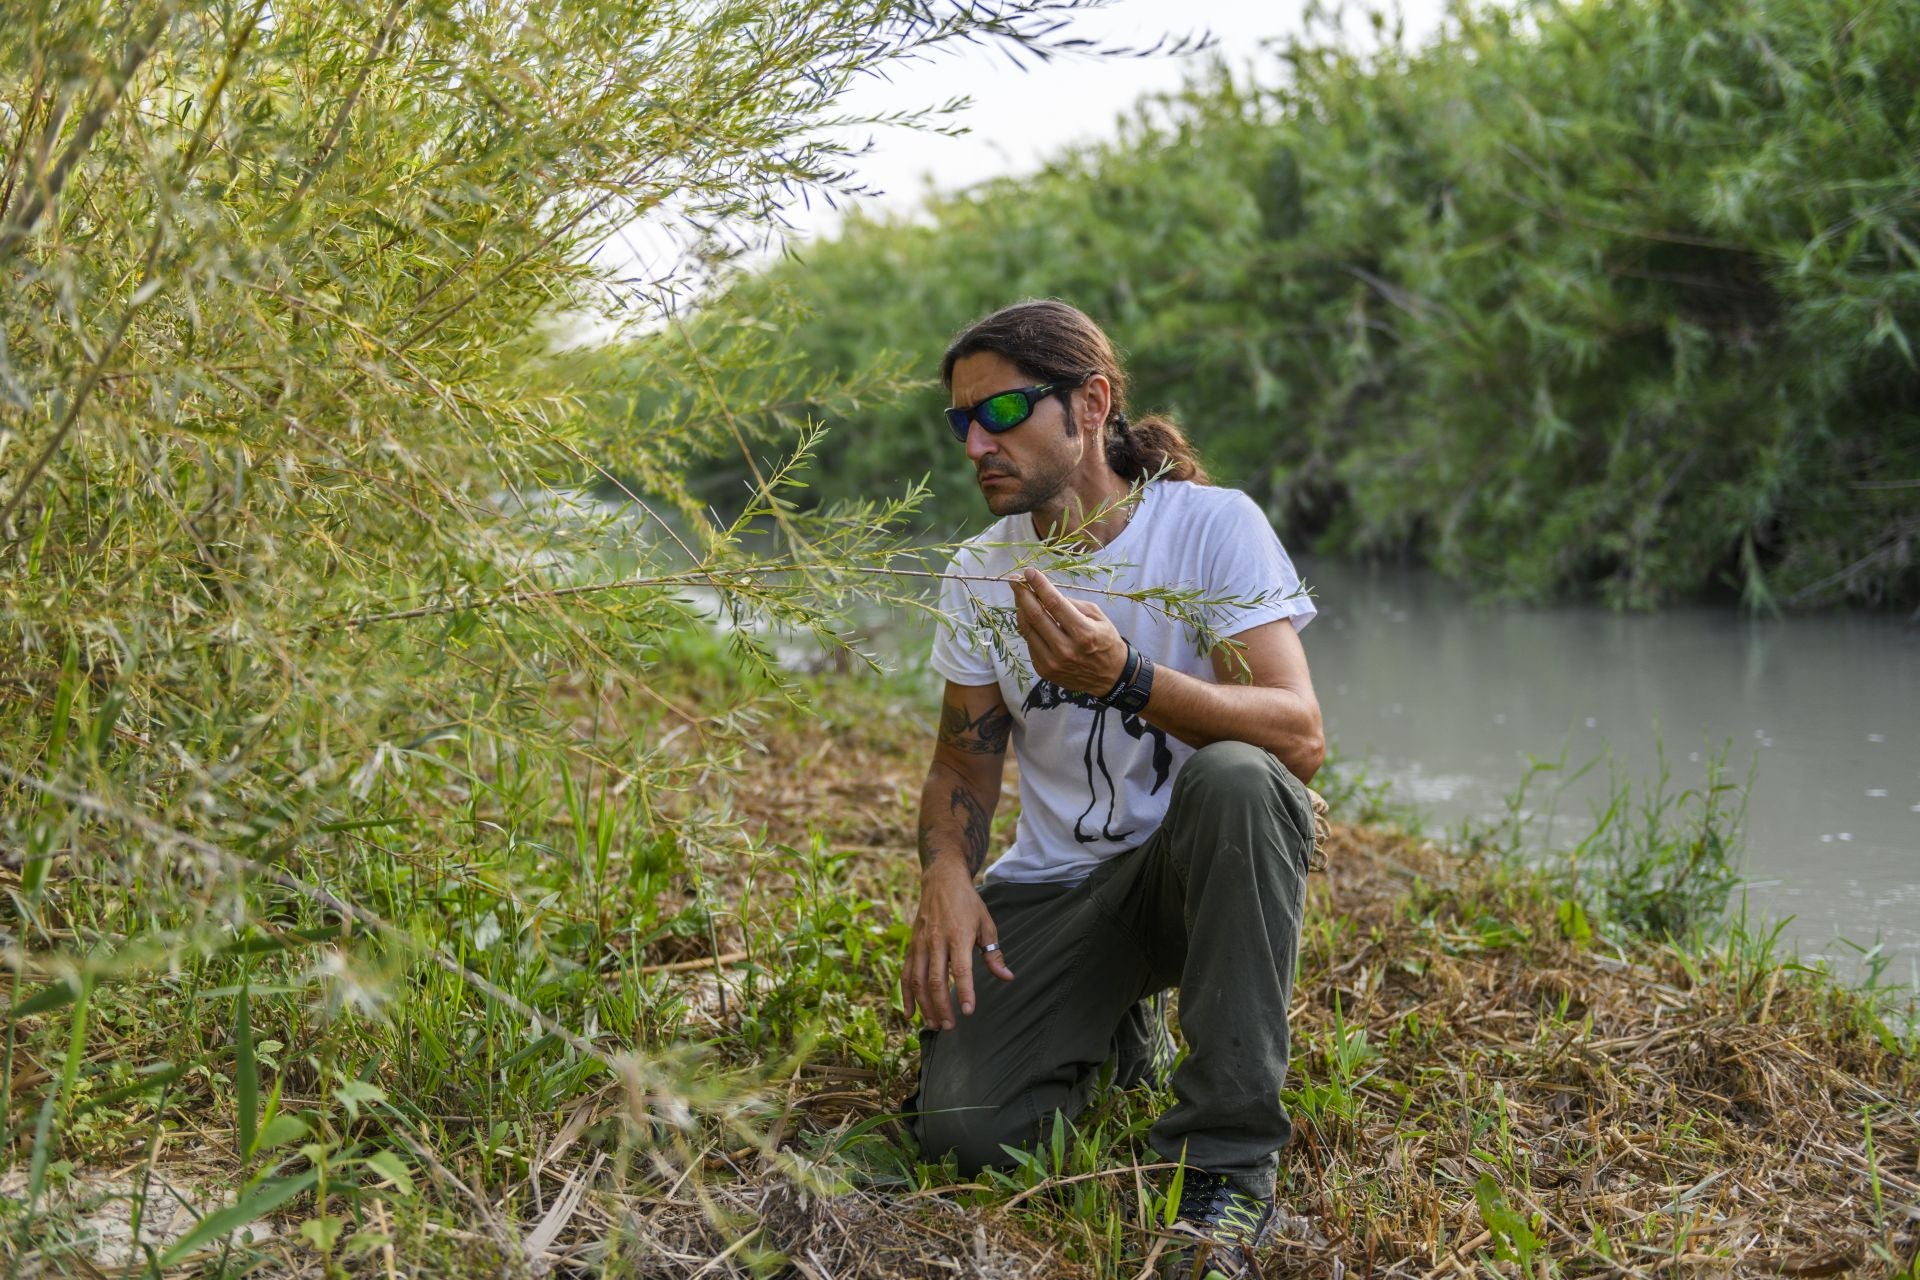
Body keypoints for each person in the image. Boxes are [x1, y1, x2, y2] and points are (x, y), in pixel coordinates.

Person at [900, 299, 1327, 1279]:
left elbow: (1298, 731)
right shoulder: (979, 572)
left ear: (1089, 403)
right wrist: (947, 873)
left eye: (1001, 412)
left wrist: (1128, 677)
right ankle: (1115, 1026)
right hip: (1055, 882)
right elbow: (964, 763)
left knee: (1239, 776)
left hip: (1195, 869)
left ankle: (1223, 1167)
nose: (977, 442)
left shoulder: (1212, 528)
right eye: (962, 421)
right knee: (965, 1131)